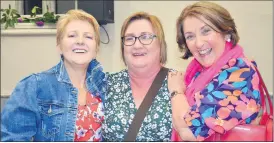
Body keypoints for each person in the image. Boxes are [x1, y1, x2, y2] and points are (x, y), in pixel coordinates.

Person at [1, 9, 106, 141]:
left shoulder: (106, 86)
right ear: (59, 46)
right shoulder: (34, 86)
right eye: (72, 35)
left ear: (96, 48)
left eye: (88, 37)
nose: (80, 41)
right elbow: (12, 138)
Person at [168, 1, 261, 141]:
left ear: (226, 33)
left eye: (206, 31)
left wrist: (176, 92)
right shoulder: (198, 72)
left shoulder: (241, 73)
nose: (198, 43)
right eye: (190, 36)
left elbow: (188, 131)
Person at [102, 12, 173, 141]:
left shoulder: (179, 83)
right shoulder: (106, 84)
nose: (137, 45)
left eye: (145, 37)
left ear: (160, 43)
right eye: (129, 38)